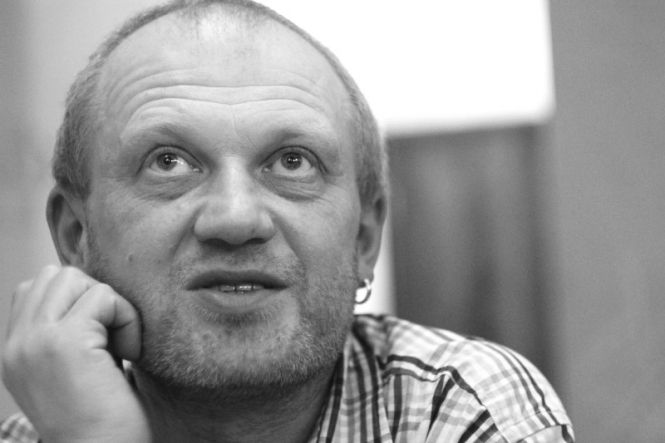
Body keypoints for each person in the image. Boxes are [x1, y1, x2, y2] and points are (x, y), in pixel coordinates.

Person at [0, 1, 574, 441]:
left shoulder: (463, 411)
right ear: (76, 236)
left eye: (292, 162)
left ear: (365, 237)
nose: (236, 219)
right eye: (168, 162)